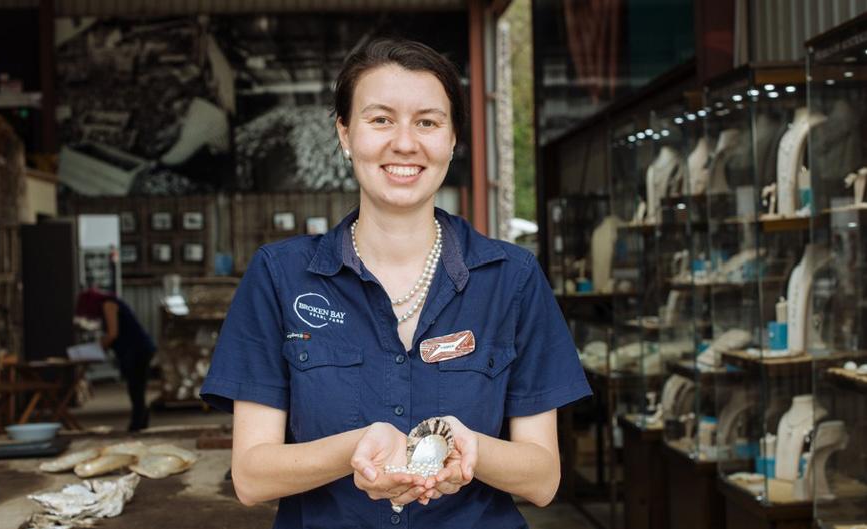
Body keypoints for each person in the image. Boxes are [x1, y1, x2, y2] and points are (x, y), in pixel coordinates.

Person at [201, 38, 591, 528]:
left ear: (452, 139)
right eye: (380, 119)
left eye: (427, 121)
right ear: (345, 134)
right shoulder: (280, 276)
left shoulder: (512, 278)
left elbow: (542, 478)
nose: (405, 142)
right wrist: (353, 450)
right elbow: (252, 477)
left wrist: (470, 448)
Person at [75, 288, 156, 431]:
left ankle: (138, 422)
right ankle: (140, 419)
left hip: (137, 349)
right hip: (134, 349)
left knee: (136, 386)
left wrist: (96, 349)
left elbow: (113, 333)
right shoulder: (109, 304)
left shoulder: (108, 304)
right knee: (135, 386)